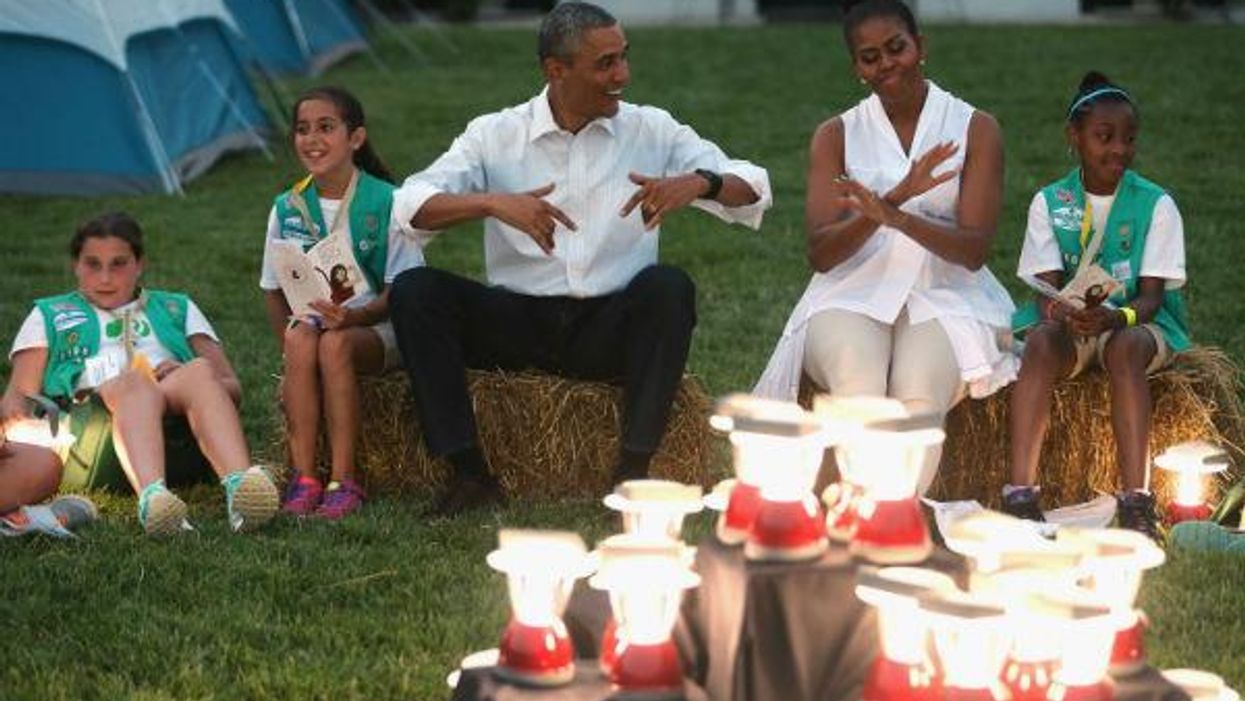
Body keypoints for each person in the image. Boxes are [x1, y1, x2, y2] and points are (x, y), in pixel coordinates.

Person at [389, 1, 771, 516]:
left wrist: (702, 182)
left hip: (608, 329)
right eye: (606, 63)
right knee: (417, 292)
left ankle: (632, 474)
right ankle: (469, 475)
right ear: (556, 70)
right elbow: (409, 207)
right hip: (516, 323)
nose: (623, 75)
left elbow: (755, 188)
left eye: (624, 58)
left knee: (668, 287)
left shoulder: (650, 129)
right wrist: (491, 202)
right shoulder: (495, 134)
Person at [754, 0, 1015, 491]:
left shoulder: (976, 128)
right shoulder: (836, 135)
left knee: (918, 398)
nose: (887, 63)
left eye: (897, 47)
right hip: (851, 290)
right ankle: (858, 514)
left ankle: (892, 518)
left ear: (921, 47)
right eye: (870, 56)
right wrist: (891, 200)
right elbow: (821, 253)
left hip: (946, 292)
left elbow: (974, 249)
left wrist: (895, 215)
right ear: (857, 67)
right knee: (859, 386)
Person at [1, 212, 278, 536]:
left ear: (139, 264)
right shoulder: (49, 314)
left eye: (118, 263)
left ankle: (241, 489)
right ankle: (154, 499)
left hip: (176, 421)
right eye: (93, 264)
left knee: (200, 371)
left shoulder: (177, 308)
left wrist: (184, 369)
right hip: (92, 431)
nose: (105, 278)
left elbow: (232, 388)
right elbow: (17, 400)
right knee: (135, 384)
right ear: (76, 265)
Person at [1003, 71, 1189, 541]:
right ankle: (1020, 495)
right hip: (1075, 324)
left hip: (1136, 323)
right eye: (1104, 138)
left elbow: (1150, 298)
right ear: (1075, 138)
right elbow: (1044, 291)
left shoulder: (1156, 204)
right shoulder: (1050, 201)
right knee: (1042, 342)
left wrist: (1115, 317)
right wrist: (1065, 313)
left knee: (1124, 348)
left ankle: (1136, 503)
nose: (1119, 150)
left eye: (1129, 139)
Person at [260, 86, 426, 519]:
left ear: (356, 138)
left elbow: (406, 292)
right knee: (301, 340)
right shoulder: (287, 206)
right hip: (320, 327)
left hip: (379, 327)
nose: (311, 139)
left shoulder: (388, 201)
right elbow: (271, 289)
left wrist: (354, 317)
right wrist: (294, 358)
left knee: (335, 345)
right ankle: (304, 478)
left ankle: (344, 478)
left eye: (326, 128)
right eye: (302, 129)